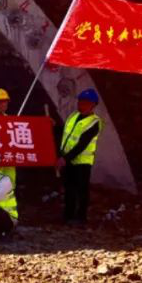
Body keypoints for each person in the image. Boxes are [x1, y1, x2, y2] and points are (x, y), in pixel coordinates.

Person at [58, 88, 102, 225]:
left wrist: (65, 158)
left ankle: (81, 218)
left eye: (85, 102)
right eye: (80, 101)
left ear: (93, 105)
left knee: (81, 190)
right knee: (69, 188)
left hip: (82, 162)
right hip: (68, 159)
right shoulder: (74, 116)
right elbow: (66, 133)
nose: (81, 104)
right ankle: (68, 216)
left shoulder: (94, 122)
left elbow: (82, 145)